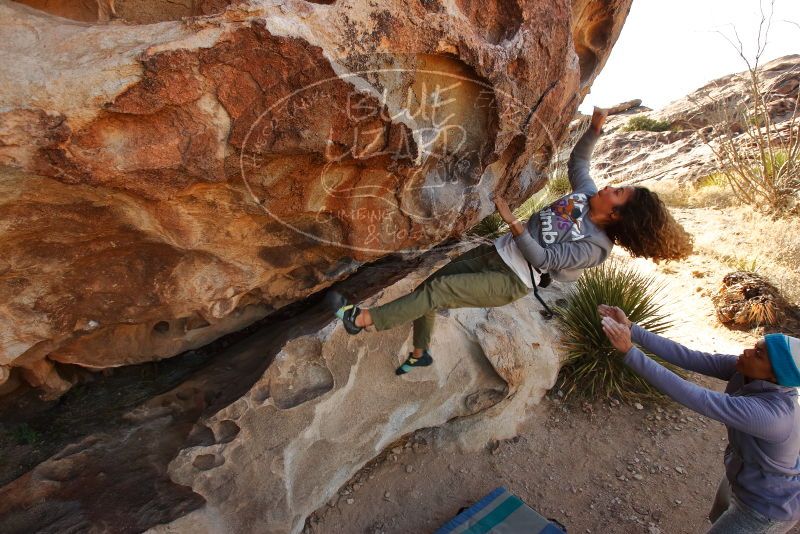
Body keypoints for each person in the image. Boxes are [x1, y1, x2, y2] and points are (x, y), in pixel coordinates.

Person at [332, 107, 693, 375]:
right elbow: (579, 162)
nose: (612, 187)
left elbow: (543, 259)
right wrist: (594, 129)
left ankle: (362, 319)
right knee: (432, 285)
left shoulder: (595, 248)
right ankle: (420, 353)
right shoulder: (585, 195)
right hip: (496, 253)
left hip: (512, 280)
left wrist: (513, 223)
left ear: (617, 215)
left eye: (619, 193)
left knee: (439, 292)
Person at [600, 304, 800, 533]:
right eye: (755, 346)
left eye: (758, 354)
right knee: (720, 516)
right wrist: (632, 329)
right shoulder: (746, 371)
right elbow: (691, 358)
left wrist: (630, 352)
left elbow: (698, 398)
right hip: (746, 477)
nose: (746, 352)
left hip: (765, 508)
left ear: (775, 375)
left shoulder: (772, 416)